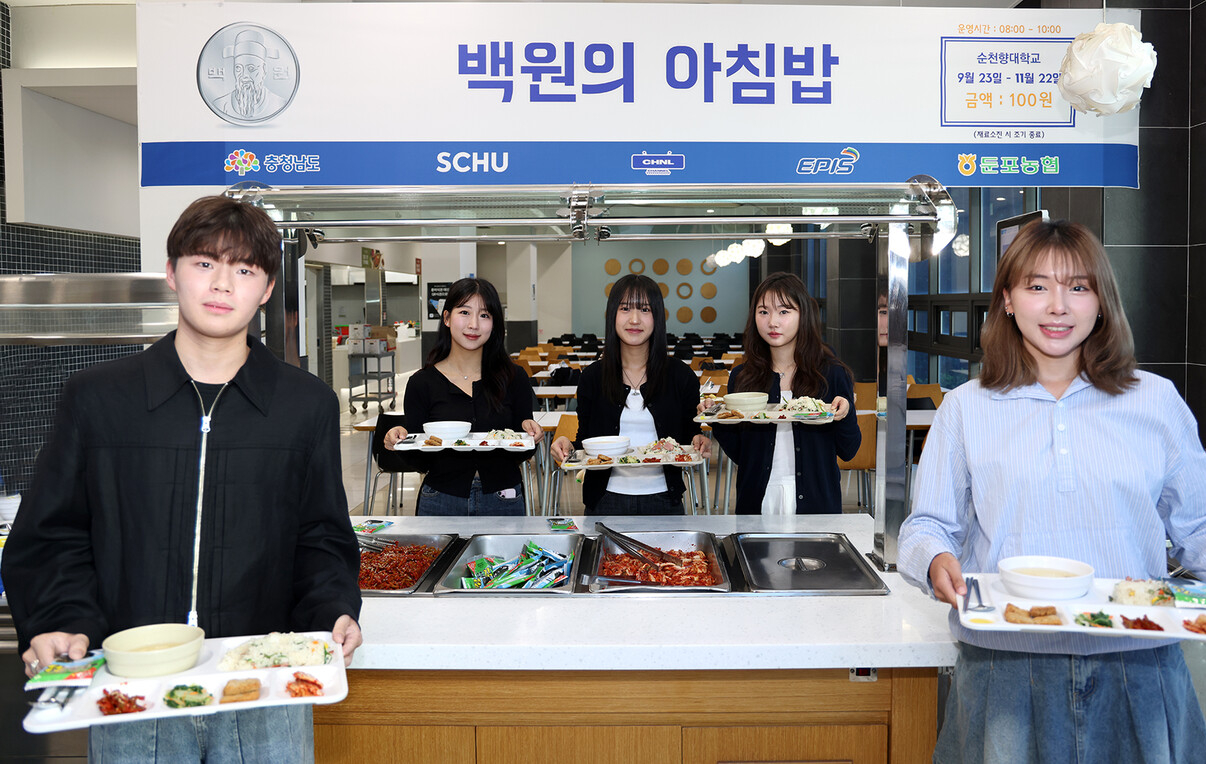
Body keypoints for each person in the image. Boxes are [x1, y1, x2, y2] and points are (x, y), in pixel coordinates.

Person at [2, 196, 362, 763]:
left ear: (266, 289)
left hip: (262, 689)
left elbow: (321, 535)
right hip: (133, 688)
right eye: (204, 263)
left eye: (244, 270)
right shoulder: (98, 399)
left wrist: (332, 610)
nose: (222, 284)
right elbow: (53, 534)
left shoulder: (305, 405)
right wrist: (58, 619)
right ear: (172, 272)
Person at [897, 220, 1206, 763]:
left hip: (1139, 664)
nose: (1057, 306)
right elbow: (928, 524)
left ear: (1101, 302)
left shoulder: (1155, 401)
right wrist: (934, 559)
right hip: (1006, 666)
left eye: (1078, 287)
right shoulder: (966, 408)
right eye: (1036, 286)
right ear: (1006, 299)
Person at [550, 274, 709, 514]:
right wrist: (567, 446)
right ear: (612, 314)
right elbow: (586, 438)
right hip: (605, 498)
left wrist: (701, 440)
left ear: (657, 316)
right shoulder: (593, 377)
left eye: (645, 309)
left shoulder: (680, 376)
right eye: (625, 308)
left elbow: (689, 439)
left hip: (664, 498)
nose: (634, 319)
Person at [384, 278, 542, 515]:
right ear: (447, 318)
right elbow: (419, 460)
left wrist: (531, 433)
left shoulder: (514, 377)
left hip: (503, 497)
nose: (474, 324)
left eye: (485, 315)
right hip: (440, 498)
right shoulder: (422, 382)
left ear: (495, 323)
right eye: (465, 312)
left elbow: (525, 451)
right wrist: (399, 442)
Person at [709, 272, 858, 514]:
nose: (772, 322)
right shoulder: (743, 376)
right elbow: (741, 454)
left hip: (817, 503)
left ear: (803, 315)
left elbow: (849, 450)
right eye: (763, 311)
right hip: (757, 501)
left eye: (784, 311)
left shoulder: (830, 374)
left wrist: (846, 413)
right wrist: (718, 419)